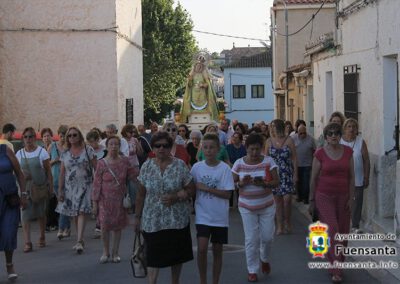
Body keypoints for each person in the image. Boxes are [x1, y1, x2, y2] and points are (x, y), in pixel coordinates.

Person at [134, 131, 195, 284]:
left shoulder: (179, 165)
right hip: (152, 220)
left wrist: (176, 196)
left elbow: (191, 190)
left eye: (165, 145)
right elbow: (141, 194)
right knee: (153, 256)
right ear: (153, 148)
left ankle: (175, 281)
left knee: (176, 256)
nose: (161, 149)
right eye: (157, 145)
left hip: (176, 220)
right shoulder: (146, 167)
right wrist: (137, 217)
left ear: (170, 147)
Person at [309, 123, 355, 283]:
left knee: (343, 233)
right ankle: (336, 270)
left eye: (336, 133)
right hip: (324, 196)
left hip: (343, 196)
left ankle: (337, 264)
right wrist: (311, 200)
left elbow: (352, 177)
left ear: (340, 135)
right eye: (330, 133)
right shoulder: (320, 153)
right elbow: (313, 178)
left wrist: (351, 197)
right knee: (333, 230)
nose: (334, 136)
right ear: (326, 136)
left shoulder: (348, 152)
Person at [232, 133, 280, 282]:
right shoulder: (239, 163)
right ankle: (252, 270)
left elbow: (276, 182)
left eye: (257, 149)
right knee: (251, 239)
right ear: (246, 148)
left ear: (261, 149)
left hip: (266, 205)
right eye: (251, 149)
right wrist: (241, 183)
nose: (254, 153)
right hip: (246, 206)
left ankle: (264, 258)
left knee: (267, 237)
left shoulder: (268, 161)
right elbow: (232, 183)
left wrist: (264, 184)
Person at [190, 133, 234, 284]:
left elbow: (228, 194)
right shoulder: (196, 168)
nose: (208, 151)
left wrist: (207, 189)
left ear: (218, 149)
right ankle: (203, 280)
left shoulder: (225, 169)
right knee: (202, 248)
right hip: (203, 215)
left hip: (219, 217)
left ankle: (215, 281)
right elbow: (190, 188)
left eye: (211, 148)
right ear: (201, 149)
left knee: (217, 250)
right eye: (205, 147)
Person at [92, 136, 135, 263]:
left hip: (119, 199)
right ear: (107, 146)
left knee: (117, 226)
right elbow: (96, 184)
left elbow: (133, 176)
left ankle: (115, 253)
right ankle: (105, 252)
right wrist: (94, 203)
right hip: (104, 200)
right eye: (111, 144)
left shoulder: (125, 161)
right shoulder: (101, 163)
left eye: (116, 144)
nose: (113, 146)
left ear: (119, 146)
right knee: (104, 226)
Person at [56, 127, 97, 254]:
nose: (72, 138)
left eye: (74, 135)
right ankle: (80, 239)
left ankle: (79, 241)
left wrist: (98, 185)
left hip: (86, 185)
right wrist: (60, 190)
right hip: (70, 188)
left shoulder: (88, 150)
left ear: (79, 136)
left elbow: (97, 168)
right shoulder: (65, 153)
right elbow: (62, 173)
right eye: (69, 136)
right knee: (75, 213)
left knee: (81, 212)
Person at [16, 127, 53, 253]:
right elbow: (15, 171)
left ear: (35, 138)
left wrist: (51, 187)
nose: (28, 139)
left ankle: (42, 236)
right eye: (25, 137)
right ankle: (28, 242)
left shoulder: (41, 152)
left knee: (41, 213)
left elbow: (48, 171)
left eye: (30, 136)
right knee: (24, 215)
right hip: (25, 189)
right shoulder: (19, 154)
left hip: (40, 188)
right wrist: (21, 175)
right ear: (23, 139)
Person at [265, 119, 297, 235]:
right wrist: (266, 176)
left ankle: (288, 221)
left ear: (279, 127)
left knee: (287, 200)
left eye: (273, 126)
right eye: (271, 126)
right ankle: (280, 225)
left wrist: (295, 174)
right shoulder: (268, 141)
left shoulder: (289, 140)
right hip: (275, 175)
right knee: (277, 201)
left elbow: (294, 158)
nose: (271, 128)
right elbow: (266, 159)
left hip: (287, 173)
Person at [0, 144, 27, 281]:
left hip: (9, 199)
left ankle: (9, 265)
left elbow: (19, 174)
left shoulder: (5, 150)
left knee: (9, 232)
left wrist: (23, 193)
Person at [340, 118, 370, 233]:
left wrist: (366, 176)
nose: (352, 129)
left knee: (357, 202)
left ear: (357, 129)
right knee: (343, 200)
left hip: (358, 177)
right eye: (349, 126)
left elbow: (366, 160)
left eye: (354, 127)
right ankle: (343, 223)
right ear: (345, 128)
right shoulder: (340, 141)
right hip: (342, 178)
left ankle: (355, 225)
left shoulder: (361, 142)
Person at [180, 55, 219, 123]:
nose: (199, 67)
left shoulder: (204, 74)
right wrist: (189, 80)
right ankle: (192, 110)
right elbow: (189, 84)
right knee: (193, 102)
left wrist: (203, 85)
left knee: (203, 102)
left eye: (200, 66)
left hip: (202, 92)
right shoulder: (192, 74)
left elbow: (208, 84)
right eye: (197, 66)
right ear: (195, 66)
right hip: (194, 92)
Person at [48, 125, 71, 240]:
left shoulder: (69, 148)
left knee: (63, 204)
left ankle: (62, 229)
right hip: (55, 179)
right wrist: (54, 161)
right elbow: (46, 164)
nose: (62, 138)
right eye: (61, 136)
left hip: (67, 180)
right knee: (61, 204)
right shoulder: (52, 146)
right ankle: (67, 228)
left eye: (64, 136)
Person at [292, 125, 316, 204]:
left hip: (307, 164)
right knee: (298, 182)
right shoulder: (293, 138)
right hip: (296, 165)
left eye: (304, 133)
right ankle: (299, 196)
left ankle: (306, 198)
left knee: (306, 183)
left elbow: (315, 151)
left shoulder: (311, 139)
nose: (302, 135)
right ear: (297, 132)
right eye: (300, 133)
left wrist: (314, 162)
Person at [121, 124, 142, 209]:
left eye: (134, 132)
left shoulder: (135, 140)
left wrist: (137, 144)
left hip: (134, 165)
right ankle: (126, 204)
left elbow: (140, 153)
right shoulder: (121, 141)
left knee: (134, 185)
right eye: (131, 132)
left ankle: (134, 204)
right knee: (125, 185)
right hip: (124, 166)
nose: (132, 134)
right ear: (125, 132)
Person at [226, 132, 247, 207]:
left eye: (236, 137)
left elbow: (245, 158)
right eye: (233, 137)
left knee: (240, 186)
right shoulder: (228, 147)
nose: (234, 138)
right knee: (230, 185)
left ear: (241, 139)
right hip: (230, 167)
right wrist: (233, 167)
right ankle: (230, 204)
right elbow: (226, 159)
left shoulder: (244, 148)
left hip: (242, 169)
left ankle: (240, 203)